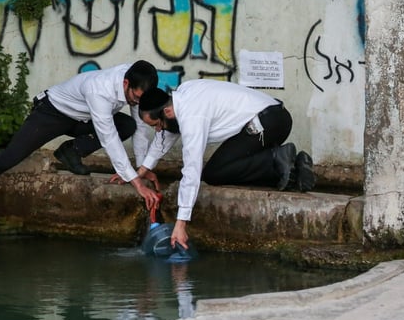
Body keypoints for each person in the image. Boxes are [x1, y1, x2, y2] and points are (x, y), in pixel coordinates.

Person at [0, 60, 162, 211]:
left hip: (81, 119)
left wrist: (141, 168)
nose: (136, 102)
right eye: (135, 97)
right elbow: (107, 137)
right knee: (8, 158)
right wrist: (136, 182)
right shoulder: (101, 90)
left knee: (128, 125)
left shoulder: (137, 81)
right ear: (126, 82)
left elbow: (141, 126)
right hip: (52, 113)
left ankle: (71, 151)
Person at [134, 80, 315, 250]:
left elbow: (192, 169)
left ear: (167, 112)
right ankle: (294, 171)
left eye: (157, 125)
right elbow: (164, 137)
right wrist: (141, 171)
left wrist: (181, 223)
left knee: (215, 173)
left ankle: (276, 159)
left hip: (269, 123)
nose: (158, 131)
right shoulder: (180, 97)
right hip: (274, 117)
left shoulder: (192, 115)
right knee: (220, 168)